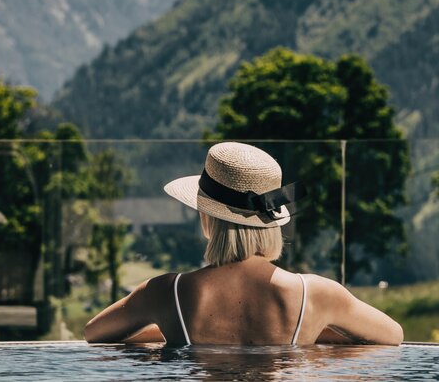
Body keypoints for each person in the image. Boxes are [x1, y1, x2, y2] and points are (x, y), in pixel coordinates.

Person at [84, 142, 403, 346]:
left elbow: (94, 333)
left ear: (207, 217)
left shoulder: (167, 292)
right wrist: (317, 333)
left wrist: (162, 329)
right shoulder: (318, 295)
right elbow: (393, 336)